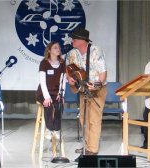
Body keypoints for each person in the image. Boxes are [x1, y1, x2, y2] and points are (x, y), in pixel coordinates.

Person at [65, 27, 107, 161]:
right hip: (83, 89)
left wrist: (97, 84)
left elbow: (103, 72)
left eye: (75, 39)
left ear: (83, 40)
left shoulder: (96, 50)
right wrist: (70, 79)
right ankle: (87, 145)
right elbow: (68, 70)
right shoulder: (72, 53)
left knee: (94, 119)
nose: (72, 40)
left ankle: (92, 149)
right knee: (83, 118)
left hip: (96, 89)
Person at [36, 41, 66, 140]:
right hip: (43, 92)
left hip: (56, 92)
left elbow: (63, 81)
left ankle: (56, 129)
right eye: (55, 48)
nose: (58, 49)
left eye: (59, 47)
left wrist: (61, 94)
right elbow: (42, 82)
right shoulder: (44, 63)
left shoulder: (62, 63)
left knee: (59, 105)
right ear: (49, 50)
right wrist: (47, 97)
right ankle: (49, 129)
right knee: (48, 105)